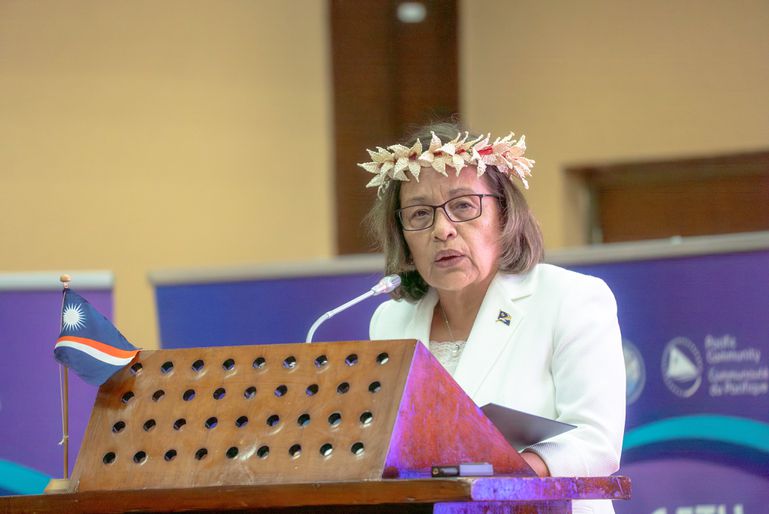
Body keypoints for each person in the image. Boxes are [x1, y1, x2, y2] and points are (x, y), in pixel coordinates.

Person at [361, 123, 626, 514]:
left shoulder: (570, 299)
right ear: (402, 235)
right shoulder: (390, 320)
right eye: (419, 214)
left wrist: (501, 477)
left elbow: (597, 443)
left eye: (464, 206)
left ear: (504, 214)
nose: (443, 230)